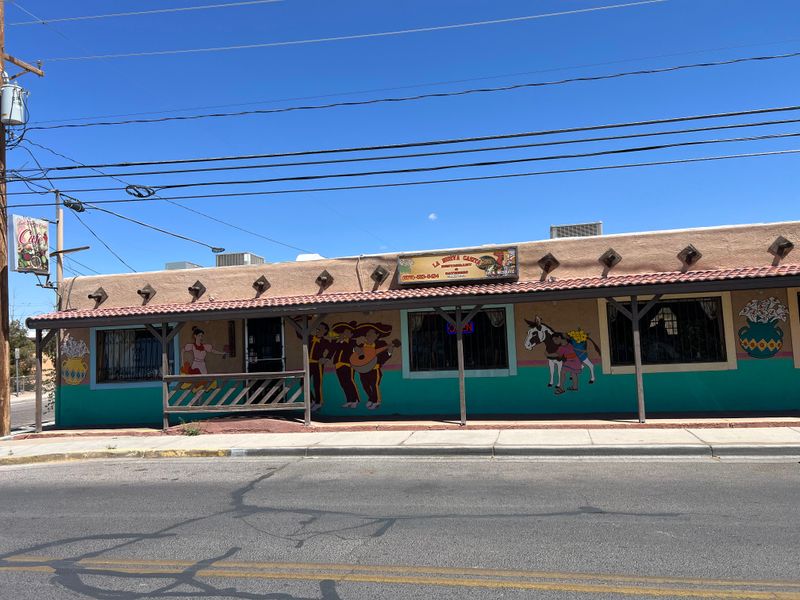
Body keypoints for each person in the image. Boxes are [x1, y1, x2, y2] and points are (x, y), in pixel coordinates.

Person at [351, 323, 399, 410]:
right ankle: (371, 399)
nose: (368, 336)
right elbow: (355, 352)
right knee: (365, 386)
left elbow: (386, 356)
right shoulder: (362, 345)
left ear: (377, 335)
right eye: (367, 334)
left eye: (371, 334)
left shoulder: (381, 344)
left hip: (375, 369)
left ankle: (377, 402)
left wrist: (390, 350)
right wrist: (355, 349)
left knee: (374, 385)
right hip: (363, 370)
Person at [326, 322, 361, 408]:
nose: (345, 334)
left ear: (351, 334)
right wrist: (327, 358)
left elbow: (357, 351)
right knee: (343, 383)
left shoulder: (352, 342)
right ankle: (349, 400)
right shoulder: (337, 341)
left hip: (348, 365)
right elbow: (332, 351)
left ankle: (355, 399)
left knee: (350, 382)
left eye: (347, 332)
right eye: (344, 332)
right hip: (338, 365)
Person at [307, 322, 331, 412]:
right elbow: (299, 334)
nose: (317, 330)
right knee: (303, 382)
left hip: (318, 364)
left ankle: (319, 402)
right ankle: (312, 400)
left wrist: (326, 358)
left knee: (317, 384)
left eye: (320, 328)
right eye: (317, 328)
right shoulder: (310, 338)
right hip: (308, 364)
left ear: (325, 330)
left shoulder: (325, 341)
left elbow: (332, 349)